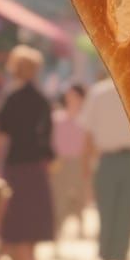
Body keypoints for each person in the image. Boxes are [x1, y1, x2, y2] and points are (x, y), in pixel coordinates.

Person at [0, 46, 56, 260]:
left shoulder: (13, 98)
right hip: (37, 168)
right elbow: (48, 138)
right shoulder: (42, 100)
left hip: (16, 166)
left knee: (16, 226)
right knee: (30, 227)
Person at [82, 73, 130, 260]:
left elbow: (87, 138)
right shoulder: (108, 93)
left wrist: (86, 172)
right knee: (122, 219)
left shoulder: (102, 93)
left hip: (114, 162)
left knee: (111, 218)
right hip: (122, 162)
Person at [51, 83, 89, 246]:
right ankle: (57, 233)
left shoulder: (86, 119)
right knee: (59, 199)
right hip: (61, 163)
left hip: (79, 162)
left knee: (80, 199)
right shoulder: (57, 117)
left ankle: (80, 229)